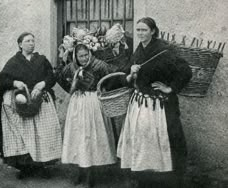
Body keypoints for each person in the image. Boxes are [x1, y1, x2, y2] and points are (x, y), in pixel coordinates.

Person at [117, 17, 192, 188]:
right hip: (140, 104)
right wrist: (131, 73)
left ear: (153, 31)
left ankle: (167, 181)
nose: (141, 33)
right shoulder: (138, 51)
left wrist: (170, 88)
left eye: (144, 30)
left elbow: (185, 71)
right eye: (138, 30)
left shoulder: (164, 51)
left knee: (165, 141)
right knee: (143, 142)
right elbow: (127, 76)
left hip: (160, 106)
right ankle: (144, 179)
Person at [0, 32, 62, 179]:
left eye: (33, 40)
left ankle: (41, 166)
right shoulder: (14, 62)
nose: (31, 43)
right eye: (27, 41)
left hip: (40, 102)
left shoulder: (41, 60)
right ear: (20, 44)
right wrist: (14, 83)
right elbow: (2, 78)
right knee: (24, 136)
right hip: (22, 104)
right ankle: (26, 168)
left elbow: (51, 75)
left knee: (42, 134)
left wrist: (43, 84)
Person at [56, 43, 116, 188]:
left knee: (91, 137)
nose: (84, 58)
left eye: (86, 55)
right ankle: (81, 172)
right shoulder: (71, 67)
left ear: (90, 53)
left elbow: (111, 79)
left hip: (93, 103)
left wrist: (102, 90)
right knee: (78, 137)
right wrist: (73, 87)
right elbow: (60, 78)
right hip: (77, 103)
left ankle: (91, 175)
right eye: (80, 56)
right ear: (75, 56)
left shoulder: (100, 66)